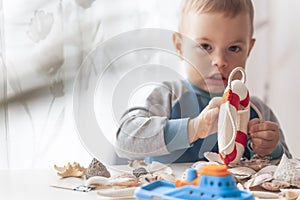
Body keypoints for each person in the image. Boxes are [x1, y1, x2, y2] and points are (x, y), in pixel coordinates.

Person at [115, 0, 292, 163]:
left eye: (234, 48)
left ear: (248, 50)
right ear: (179, 47)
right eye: (205, 46)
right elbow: (124, 140)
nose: (220, 60)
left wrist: (273, 149)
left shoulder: (257, 111)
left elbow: (288, 168)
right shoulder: (167, 97)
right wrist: (194, 128)